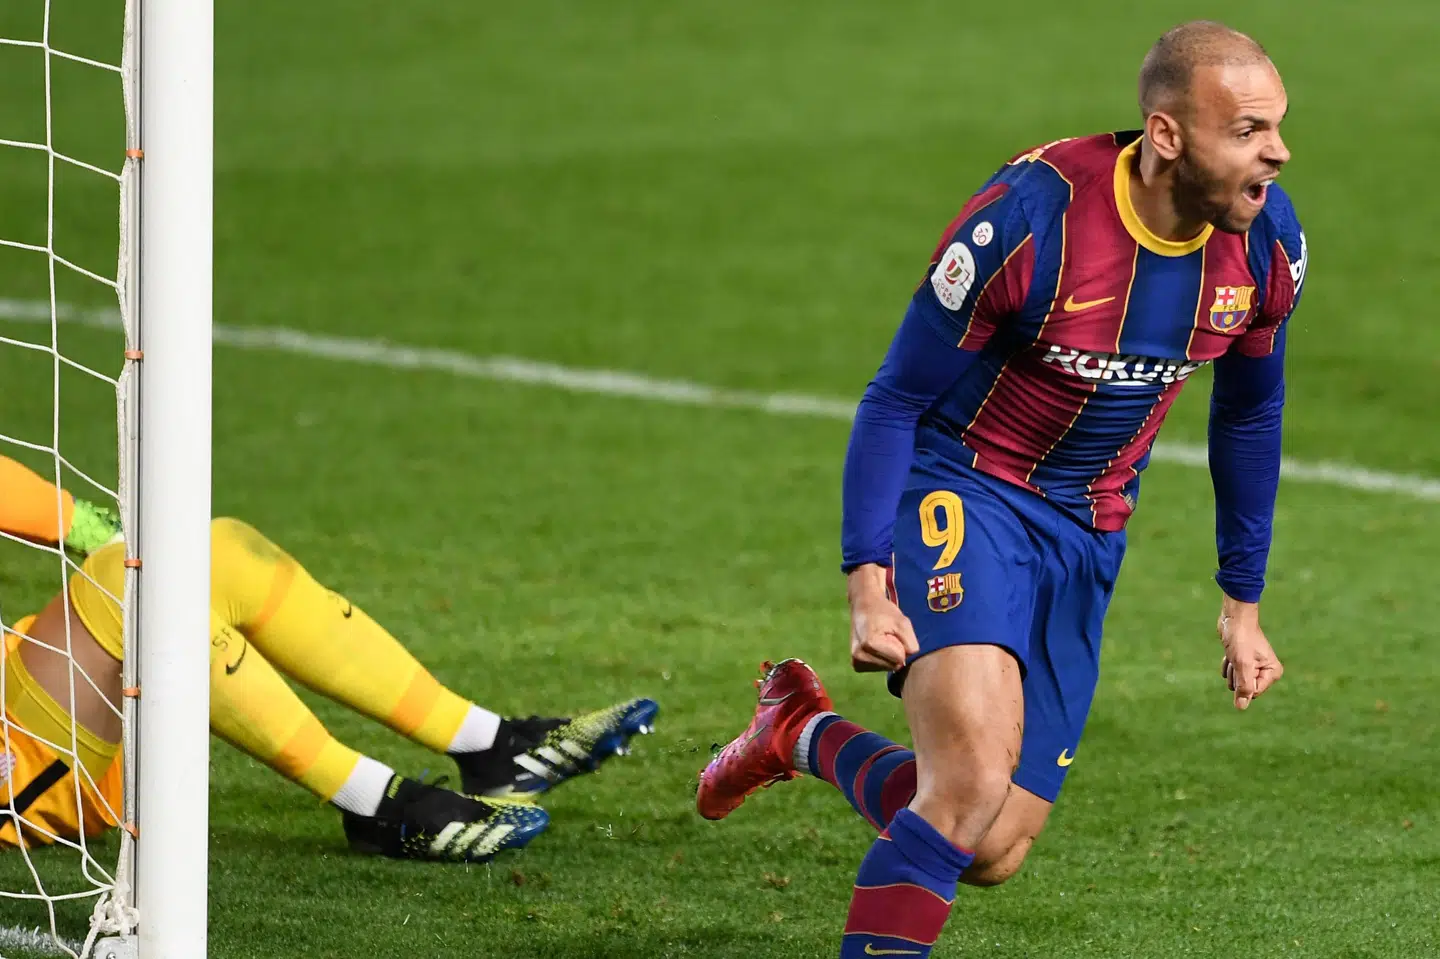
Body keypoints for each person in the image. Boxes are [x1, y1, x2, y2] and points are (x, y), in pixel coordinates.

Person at [697, 20, 1304, 957]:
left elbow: (1250, 417)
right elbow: (896, 397)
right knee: (971, 782)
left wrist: (1243, 600)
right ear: (1169, 136)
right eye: (1251, 130)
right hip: (965, 486)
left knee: (990, 846)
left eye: (1279, 127)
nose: (1278, 152)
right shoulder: (1032, 219)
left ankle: (801, 730)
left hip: (1088, 528)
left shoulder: (1265, 247)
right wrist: (868, 580)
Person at [0, 455, 658, 861]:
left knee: (218, 550)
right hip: (20, 768)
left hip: (36, 692)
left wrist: (111, 532)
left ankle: (491, 746)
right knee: (131, 582)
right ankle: (377, 804)